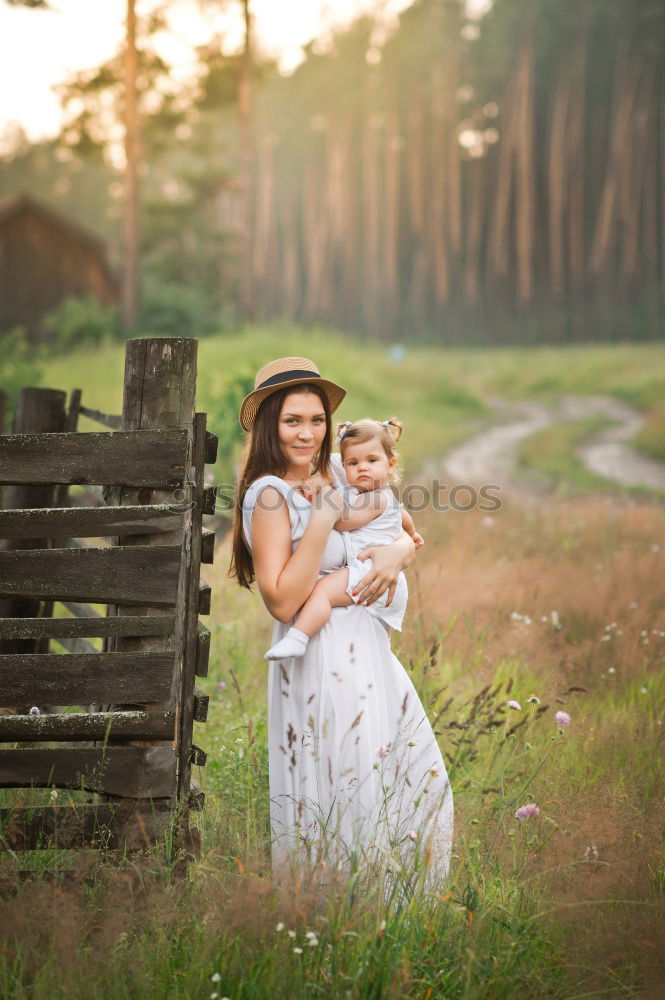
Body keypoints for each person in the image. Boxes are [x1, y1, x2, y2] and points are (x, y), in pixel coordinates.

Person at [229, 356, 454, 894]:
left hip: (371, 650)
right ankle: (337, 923)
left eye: (316, 419)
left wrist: (398, 551)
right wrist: (326, 518)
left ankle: (400, 920)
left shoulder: (337, 468)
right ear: (267, 425)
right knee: (343, 791)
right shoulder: (269, 495)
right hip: (320, 654)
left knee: (418, 780)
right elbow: (282, 602)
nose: (307, 433)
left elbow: (397, 522)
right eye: (292, 422)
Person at [264, 416, 424, 662]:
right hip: (377, 574)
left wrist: (323, 496)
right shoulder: (379, 494)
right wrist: (412, 535)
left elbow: (341, 521)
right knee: (379, 648)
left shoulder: (375, 498)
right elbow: (404, 516)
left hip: (369, 571)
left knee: (323, 592)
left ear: (390, 465)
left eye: (372, 461)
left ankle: (298, 638)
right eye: (353, 463)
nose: (362, 467)